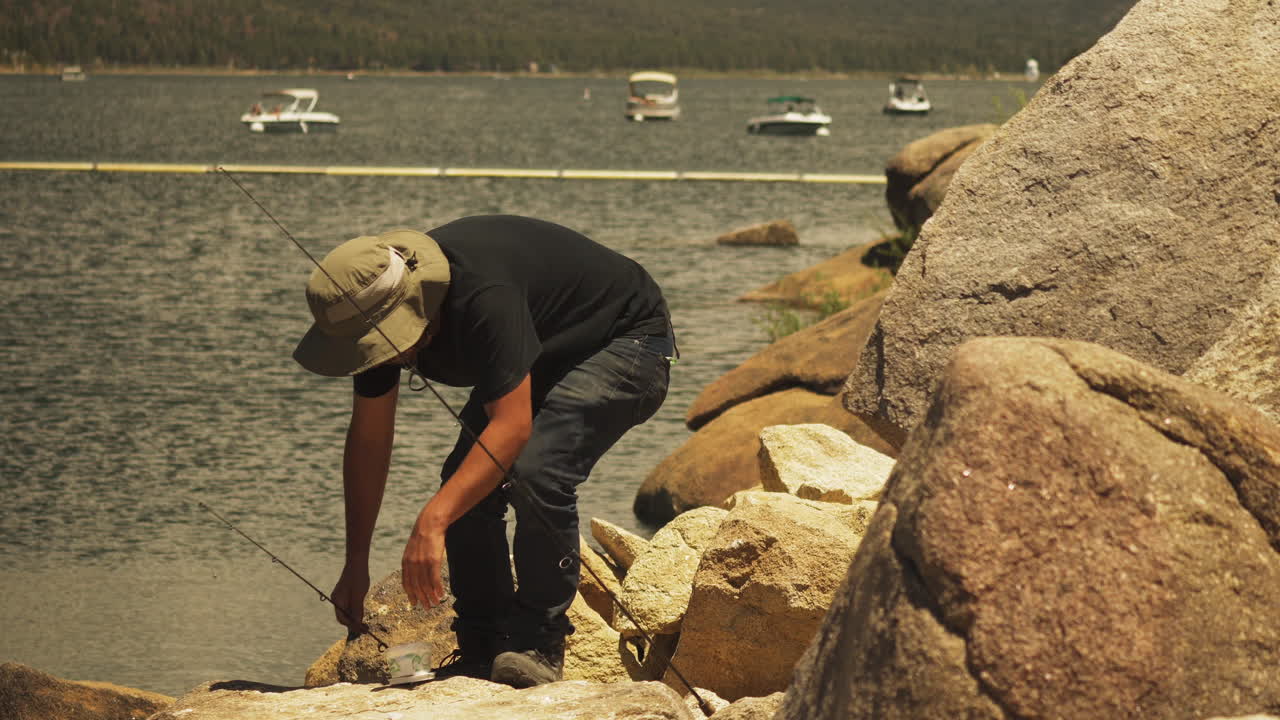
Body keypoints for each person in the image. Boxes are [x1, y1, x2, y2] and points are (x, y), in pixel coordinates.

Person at [293, 215, 675, 688]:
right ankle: (483, 646)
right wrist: (355, 563)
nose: (375, 357)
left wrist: (431, 521)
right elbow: (370, 440)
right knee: (464, 479)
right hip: (543, 349)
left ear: (411, 308)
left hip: (627, 341)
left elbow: (512, 429)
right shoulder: (367, 322)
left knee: (537, 471)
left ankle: (539, 645)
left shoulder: (482, 295)